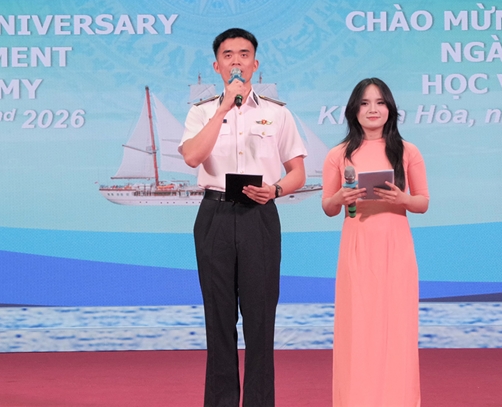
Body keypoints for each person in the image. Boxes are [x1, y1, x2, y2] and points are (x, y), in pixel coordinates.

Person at [179, 28, 307, 407]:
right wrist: (223, 109)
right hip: (215, 215)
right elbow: (192, 157)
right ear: (217, 66)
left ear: (256, 63)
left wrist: (276, 190)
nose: (237, 61)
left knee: (260, 320)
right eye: (228, 55)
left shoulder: (277, 113)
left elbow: (298, 172)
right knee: (218, 319)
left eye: (244, 54)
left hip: (259, 215)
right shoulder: (201, 112)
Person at [321, 78, 430, 407]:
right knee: (357, 328)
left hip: (395, 247)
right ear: (353, 110)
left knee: (397, 328)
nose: (373, 109)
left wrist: (402, 198)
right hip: (357, 245)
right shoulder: (338, 155)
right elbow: (328, 207)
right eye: (365, 103)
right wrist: (340, 197)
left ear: (390, 109)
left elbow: (423, 202)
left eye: (380, 103)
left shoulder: (408, 151)